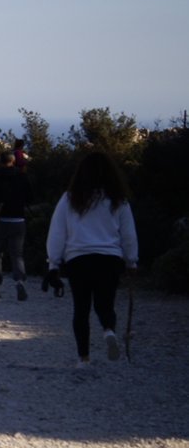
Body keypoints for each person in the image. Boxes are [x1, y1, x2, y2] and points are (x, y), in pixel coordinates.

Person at [45, 151, 138, 366]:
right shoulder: (118, 200)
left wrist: (53, 262)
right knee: (105, 304)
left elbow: (57, 232)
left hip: (79, 260)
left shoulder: (70, 198)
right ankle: (108, 331)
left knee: (81, 309)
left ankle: (83, 358)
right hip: (110, 260)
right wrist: (131, 261)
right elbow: (128, 234)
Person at [0, 150, 31, 299]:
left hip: (0, 221)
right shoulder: (22, 177)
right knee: (17, 255)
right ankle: (20, 282)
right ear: (13, 161)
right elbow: (29, 197)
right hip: (19, 220)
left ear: (0, 162)